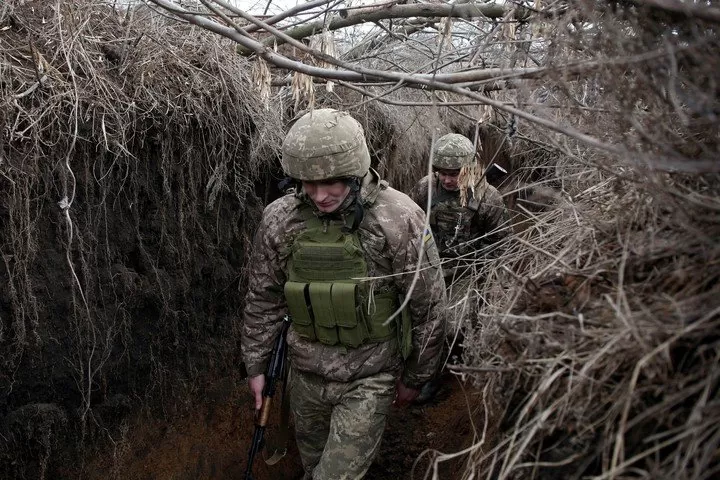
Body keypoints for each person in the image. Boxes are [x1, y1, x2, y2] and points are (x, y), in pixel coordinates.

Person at [241, 108, 446, 480]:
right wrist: (255, 365)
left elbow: (428, 307)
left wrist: (416, 377)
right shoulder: (279, 219)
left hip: (370, 376)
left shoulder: (398, 218)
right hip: (303, 375)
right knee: (312, 466)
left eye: (331, 182)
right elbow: (264, 298)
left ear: (354, 171)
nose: (319, 195)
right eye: (307, 183)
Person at [410, 132, 510, 402]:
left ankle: (439, 377)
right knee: (417, 318)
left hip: (467, 269)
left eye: (455, 173)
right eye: (443, 173)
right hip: (431, 264)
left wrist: (488, 283)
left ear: (469, 170)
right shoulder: (424, 189)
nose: (448, 179)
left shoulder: (488, 198)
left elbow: (501, 245)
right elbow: (411, 226)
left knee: (450, 326)